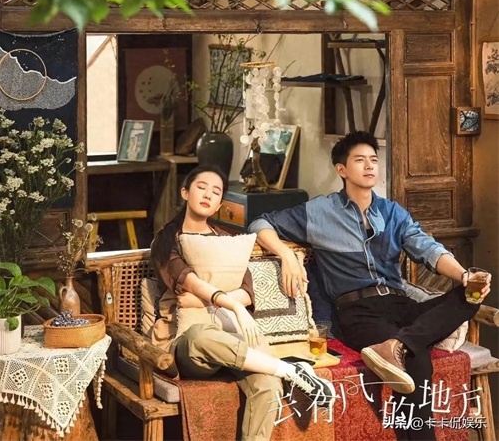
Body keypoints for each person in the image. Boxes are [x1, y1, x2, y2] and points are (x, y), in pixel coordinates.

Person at [248, 131, 492, 441]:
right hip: (359, 312)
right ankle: (406, 346)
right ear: (342, 170)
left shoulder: (393, 213)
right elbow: (260, 222)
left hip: (401, 305)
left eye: (374, 160)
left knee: (468, 297)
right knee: (417, 364)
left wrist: (463, 275)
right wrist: (285, 255)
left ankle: (398, 345)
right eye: (360, 160)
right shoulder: (319, 212)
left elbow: (428, 249)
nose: (369, 166)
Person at [150, 164, 336, 441]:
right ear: (185, 192)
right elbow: (187, 280)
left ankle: (280, 374)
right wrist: (233, 304)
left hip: (234, 340)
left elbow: (248, 290)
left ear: (219, 204)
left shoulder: (228, 241)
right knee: (200, 335)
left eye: (216, 192)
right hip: (190, 347)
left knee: (267, 385)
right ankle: (288, 369)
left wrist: (208, 302)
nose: (208, 194)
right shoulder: (165, 241)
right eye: (201, 187)